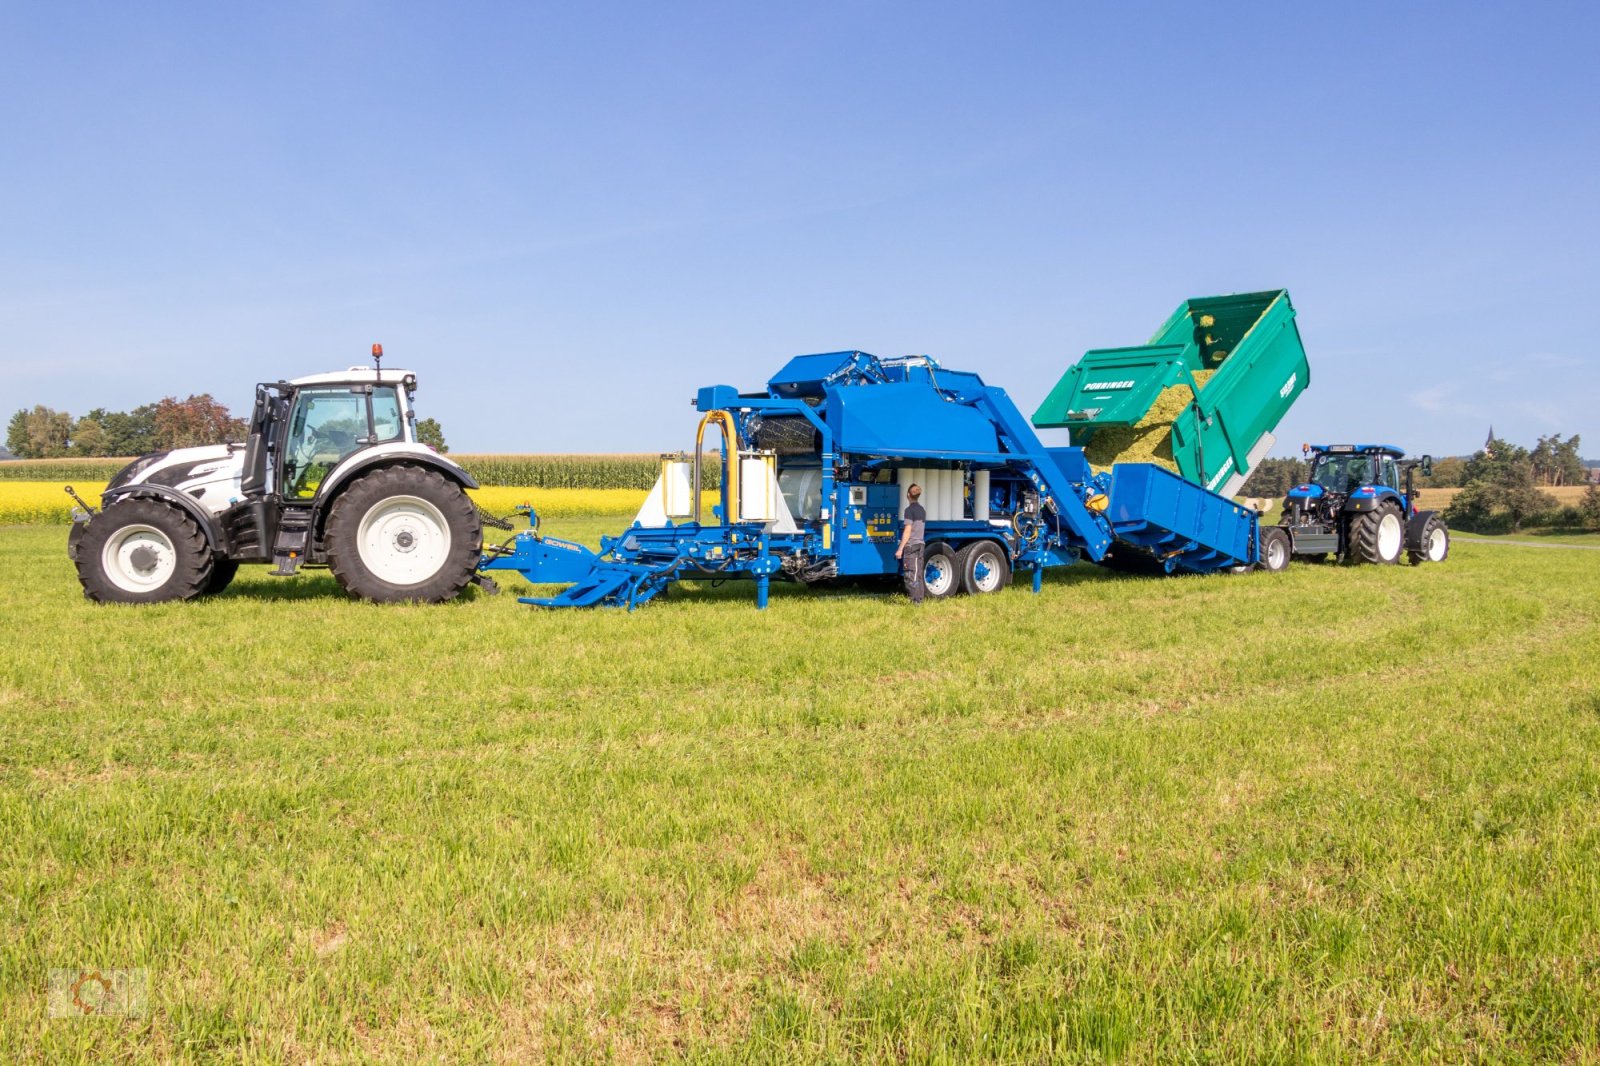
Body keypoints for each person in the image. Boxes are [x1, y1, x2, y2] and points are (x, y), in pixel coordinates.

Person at [894, 483, 927, 604]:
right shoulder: (921, 509)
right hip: (920, 545)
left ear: (908, 495)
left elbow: (907, 530)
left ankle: (915, 601)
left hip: (911, 546)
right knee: (918, 574)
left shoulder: (909, 510)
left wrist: (900, 549)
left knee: (910, 574)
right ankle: (919, 600)